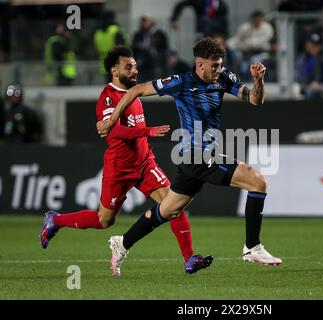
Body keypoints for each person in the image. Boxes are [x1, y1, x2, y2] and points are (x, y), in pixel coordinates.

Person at [97, 37, 282, 274]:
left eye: (220, 64)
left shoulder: (223, 77)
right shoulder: (180, 82)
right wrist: (111, 120)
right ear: (200, 64)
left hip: (195, 159)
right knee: (257, 181)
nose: (218, 70)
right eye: (213, 65)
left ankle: (122, 244)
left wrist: (259, 81)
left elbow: (256, 99)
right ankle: (252, 247)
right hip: (195, 155)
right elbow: (135, 90)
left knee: (168, 210)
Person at [40, 46, 213, 276]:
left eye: (135, 66)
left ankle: (189, 258)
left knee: (173, 204)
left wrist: (145, 138)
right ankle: (56, 220)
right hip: (119, 168)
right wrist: (148, 132)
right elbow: (114, 133)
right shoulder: (107, 97)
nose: (134, 70)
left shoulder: (135, 93)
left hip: (144, 163)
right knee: (104, 220)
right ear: (114, 70)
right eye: (128, 66)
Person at [94, 10, 128, 82]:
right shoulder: (115, 30)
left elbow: (96, 48)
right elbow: (122, 46)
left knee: (110, 85)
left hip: (104, 63)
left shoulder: (98, 33)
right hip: (116, 62)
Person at [44, 22, 77, 86]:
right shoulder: (56, 40)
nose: (61, 29)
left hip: (64, 70)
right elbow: (57, 54)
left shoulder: (61, 40)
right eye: (59, 27)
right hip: (59, 69)